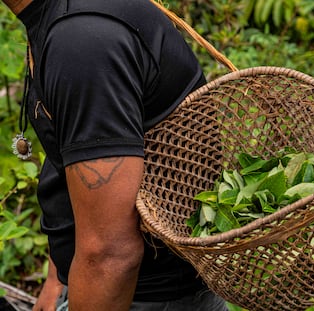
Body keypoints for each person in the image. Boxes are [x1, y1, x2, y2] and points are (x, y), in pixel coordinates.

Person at [2, 0, 229, 310]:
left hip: (143, 297)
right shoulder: (60, 18)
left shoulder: (81, 40)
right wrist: (59, 275)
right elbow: (79, 150)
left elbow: (111, 255)